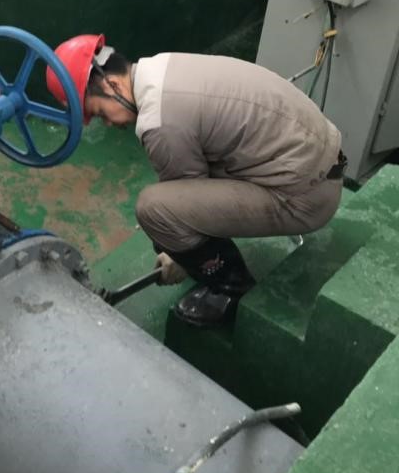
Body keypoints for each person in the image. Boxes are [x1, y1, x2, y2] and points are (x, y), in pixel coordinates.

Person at [46, 35, 345, 327]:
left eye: (100, 113)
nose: (109, 123)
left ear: (111, 84)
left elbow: (179, 209)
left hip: (306, 197)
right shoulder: (160, 67)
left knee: (154, 210)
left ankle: (232, 289)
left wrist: (179, 255)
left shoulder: (159, 122)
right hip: (320, 162)